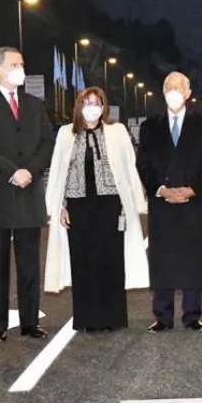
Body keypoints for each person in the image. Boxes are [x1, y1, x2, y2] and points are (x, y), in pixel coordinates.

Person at [0, 47, 55, 342]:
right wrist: (11, 171)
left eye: (22, 63)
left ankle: (30, 322)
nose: (21, 68)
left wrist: (30, 169)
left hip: (29, 193)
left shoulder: (34, 105)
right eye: (15, 64)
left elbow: (47, 142)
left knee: (29, 264)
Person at [45, 87, 148, 331]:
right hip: (78, 205)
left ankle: (112, 318)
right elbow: (58, 171)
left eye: (96, 102)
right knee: (83, 262)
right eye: (87, 102)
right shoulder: (66, 133)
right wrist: (60, 206)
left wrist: (135, 202)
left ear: (103, 107)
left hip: (111, 204)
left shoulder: (117, 131)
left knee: (111, 260)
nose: (92, 107)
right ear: (79, 106)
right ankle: (87, 319)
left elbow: (129, 166)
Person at [136, 72, 202, 332]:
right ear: (163, 91)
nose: (174, 91)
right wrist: (160, 190)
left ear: (188, 93)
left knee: (193, 256)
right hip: (163, 201)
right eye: (169, 86)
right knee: (163, 257)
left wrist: (192, 189)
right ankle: (162, 315)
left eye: (179, 87)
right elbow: (143, 165)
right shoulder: (149, 127)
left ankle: (192, 315)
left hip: (193, 200)